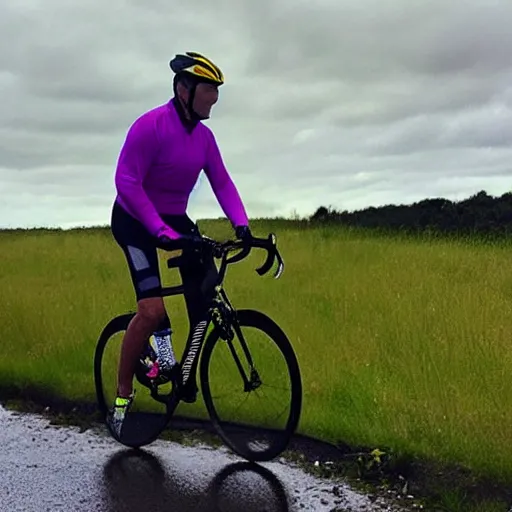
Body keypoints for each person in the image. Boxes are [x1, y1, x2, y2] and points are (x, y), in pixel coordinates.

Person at [108, 51, 252, 438]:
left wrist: (242, 225)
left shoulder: (204, 139)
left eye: (216, 92)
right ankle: (123, 394)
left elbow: (221, 181)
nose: (213, 99)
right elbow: (127, 182)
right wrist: (155, 228)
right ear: (183, 89)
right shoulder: (150, 127)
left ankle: (179, 369)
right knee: (152, 311)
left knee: (204, 297)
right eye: (208, 91)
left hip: (173, 219)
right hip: (134, 220)